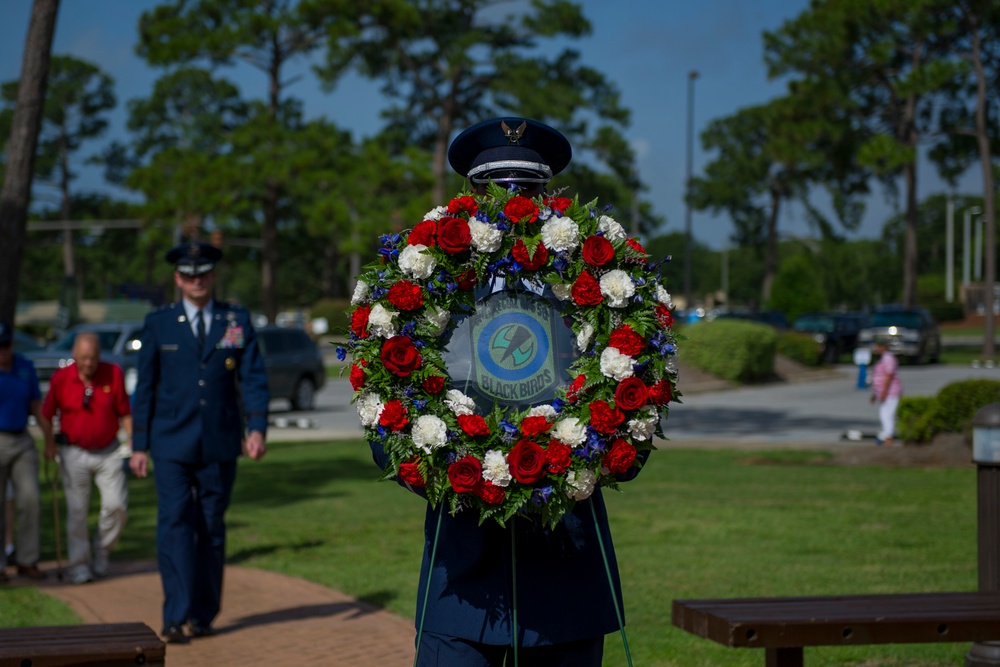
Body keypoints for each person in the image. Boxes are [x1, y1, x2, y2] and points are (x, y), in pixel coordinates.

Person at [370, 117, 647, 666]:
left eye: (526, 192)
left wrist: (588, 458)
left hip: (566, 571)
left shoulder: (587, 292)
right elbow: (389, 417)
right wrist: (436, 463)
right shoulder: (433, 293)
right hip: (463, 576)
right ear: (471, 198)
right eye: (497, 191)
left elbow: (629, 425)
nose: (512, 204)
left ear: (547, 198)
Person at [130, 242, 269, 643]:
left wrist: (256, 427)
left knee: (210, 526)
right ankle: (175, 616)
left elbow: (253, 378)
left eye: (203, 273)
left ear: (213, 275)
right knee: (174, 524)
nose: (196, 281)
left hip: (220, 442)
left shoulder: (234, 319)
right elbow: (147, 387)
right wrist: (139, 445)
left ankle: (204, 614)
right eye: (189, 275)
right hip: (170, 442)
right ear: (177, 278)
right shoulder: (159, 322)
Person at [38, 332, 132, 585]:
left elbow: (125, 412)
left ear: (99, 356)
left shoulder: (113, 373)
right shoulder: (62, 378)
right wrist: (49, 444)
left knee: (117, 506)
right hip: (74, 453)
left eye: (92, 358)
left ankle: (102, 551)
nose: (88, 363)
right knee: (77, 512)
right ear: (74, 356)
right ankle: (79, 565)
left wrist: (133, 443)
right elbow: (46, 414)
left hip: (108, 450)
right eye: (83, 358)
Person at [0, 321, 46, 583]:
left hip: (21, 438)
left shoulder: (24, 367)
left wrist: (49, 440)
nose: (2, 351)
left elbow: (37, 406)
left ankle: (27, 559)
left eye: (5, 345)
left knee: (30, 499)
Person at [870, 336, 902, 446]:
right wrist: (875, 393)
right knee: (884, 415)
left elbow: (889, 375)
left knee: (887, 415)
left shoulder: (888, 358)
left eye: (880, 346)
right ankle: (885, 435)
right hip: (883, 393)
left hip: (890, 392)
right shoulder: (881, 358)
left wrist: (884, 391)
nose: (877, 348)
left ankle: (888, 437)